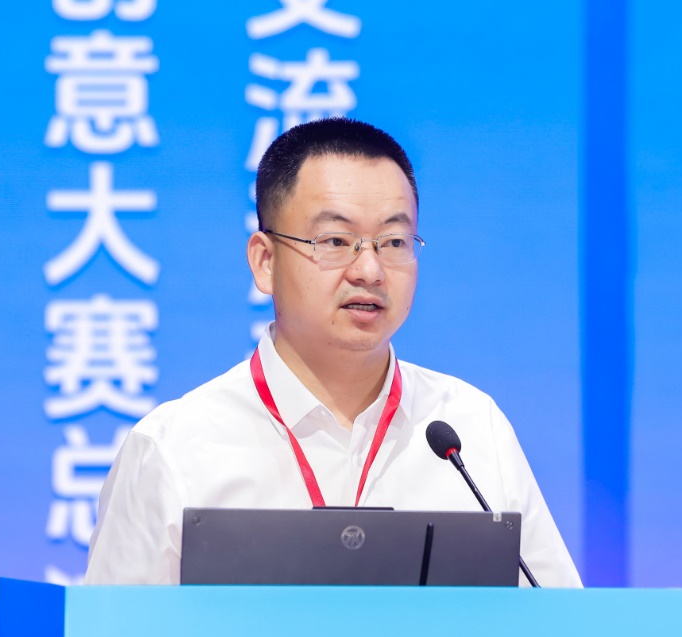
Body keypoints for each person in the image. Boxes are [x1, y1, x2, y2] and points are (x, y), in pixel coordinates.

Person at [85, 117, 581, 587]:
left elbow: (559, 627)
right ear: (265, 261)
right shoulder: (174, 449)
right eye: (336, 240)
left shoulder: (469, 430)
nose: (370, 270)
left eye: (394, 241)